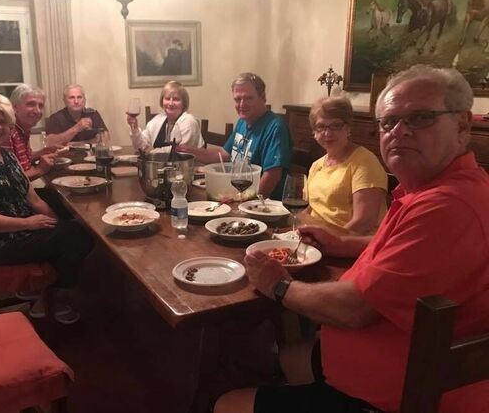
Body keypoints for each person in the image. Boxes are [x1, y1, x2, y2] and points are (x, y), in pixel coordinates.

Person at [214, 65, 489, 413]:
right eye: (389, 122)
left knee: (227, 402)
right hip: (377, 356)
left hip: (395, 392)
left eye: (420, 118)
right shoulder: (433, 190)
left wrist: (278, 286)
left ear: (462, 125)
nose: (399, 131)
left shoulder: (448, 206)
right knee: (284, 356)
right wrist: (342, 244)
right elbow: (402, 251)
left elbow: (354, 309)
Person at [0, 94, 93, 325]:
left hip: (19, 231)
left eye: (3, 122)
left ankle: (43, 288)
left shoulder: (6, 155)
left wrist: (58, 224)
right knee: (78, 237)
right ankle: (54, 298)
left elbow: (34, 200)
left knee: (76, 229)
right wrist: (28, 223)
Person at [179, 72, 292, 200]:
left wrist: (245, 204)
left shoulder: (275, 127)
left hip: (263, 203)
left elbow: (272, 176)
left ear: (263, 97)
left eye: (249, 98)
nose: (242, 104)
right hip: (237, 194)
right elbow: (223, 154)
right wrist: (188, 151)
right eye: (237, 99)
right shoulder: (242, 122)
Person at [307, 96, 387, 234]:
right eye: (321, 126)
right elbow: (310, 209)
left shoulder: (364, 162)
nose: (328, 133)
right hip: (315, 239)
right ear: (314, 132)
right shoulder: (316, 166)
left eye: (336, 125)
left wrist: (327, 241)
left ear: (348, 127)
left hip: (350, 242)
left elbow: (363, 223)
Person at [127, 81, 204, 153]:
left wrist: (150, 150)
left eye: (176, 99)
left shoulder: (189, 122)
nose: (170, 103)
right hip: (159, 163)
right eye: (167, 99)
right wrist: (135, 128)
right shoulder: (158, 120)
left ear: (184, 104)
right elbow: (140, 147)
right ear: (162, 101)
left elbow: (180, 152)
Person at [5, 84, 57, 181]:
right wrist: (40, 170)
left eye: (41, 106)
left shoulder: (23, 129)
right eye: (31, 104)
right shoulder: (7, 133)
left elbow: (20, 161)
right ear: (14, 107)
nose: (37, 111)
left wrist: (42, 152)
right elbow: (10, 180)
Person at [45, 84, 110, 145]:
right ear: (64, 101)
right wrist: (77, 128)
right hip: (67, 153)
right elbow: (50, 143)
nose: (76, 101)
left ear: (84, 100)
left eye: (79, 97)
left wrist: (75, 144)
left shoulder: (92, 114)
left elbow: (106, 138)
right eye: (71, 97)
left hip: (92, 153)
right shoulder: (56, 118)